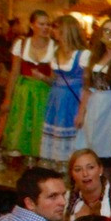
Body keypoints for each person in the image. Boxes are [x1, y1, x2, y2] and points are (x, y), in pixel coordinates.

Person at [1, 10, 55, 157]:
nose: (45, 28)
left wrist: (43, 78)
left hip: (44, 94)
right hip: (23, 93)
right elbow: (14, 73)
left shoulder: (55, 47)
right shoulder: (22, 43)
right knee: (20, 128)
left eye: (48, 24)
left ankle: (38, 160)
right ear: (32, 25)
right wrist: (7, 98)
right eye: (41, 24)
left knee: (39, 128)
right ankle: (18, 161)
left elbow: (55, 77)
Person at [40, 15, 89, 162]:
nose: (52, 30)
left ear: (65, 30)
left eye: (56, 28)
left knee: (73, 143)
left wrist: (81, 112)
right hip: (55, 102)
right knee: (53, 142)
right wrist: (42, 78)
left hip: (72, 103)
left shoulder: (83, 55)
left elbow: (87, 86)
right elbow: (53, 80)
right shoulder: (55, 51)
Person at [78, 19, 111, 162]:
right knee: (91, 145)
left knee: (108, 149)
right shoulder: (96, 56)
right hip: (95, 103)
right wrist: (81, 112)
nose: (110, 35)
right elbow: (88, 87)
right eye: (106, 30)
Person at [66, 148, 111, 221]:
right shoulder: (67, 199)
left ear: (100, 169)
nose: (85, 174)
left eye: (90, 168)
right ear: (72, 174)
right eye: (78, 169)